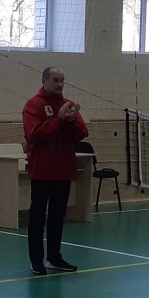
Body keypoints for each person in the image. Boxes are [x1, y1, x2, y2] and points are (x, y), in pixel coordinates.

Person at [23, 67, 88, 275]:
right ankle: (36, 260)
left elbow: (82, 133)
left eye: (62, 80)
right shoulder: (33, 105)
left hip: (63, 168)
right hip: (42, 169)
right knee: (37, 216)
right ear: (44, 81)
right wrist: (59, 119)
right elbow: (34, 135)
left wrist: (71, 120)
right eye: (55, 80)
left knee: (58, 216)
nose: (60, 84)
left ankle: (54, 257)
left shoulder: (68, 104)